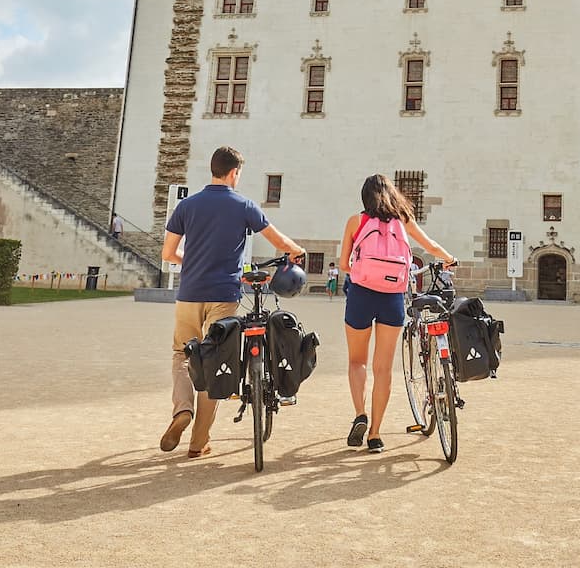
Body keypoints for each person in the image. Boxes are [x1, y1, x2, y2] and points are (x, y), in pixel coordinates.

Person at [160, 146, 305, 459]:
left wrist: (192, 261)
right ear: (234, 173)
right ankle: (198, 443)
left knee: (182, 355)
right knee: (213, 362)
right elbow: (279, 242)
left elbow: (168, 254)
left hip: (189, 293)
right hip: (224, 295)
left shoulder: (188, 206)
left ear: (213, 170)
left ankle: (181, 410)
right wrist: (296, 251)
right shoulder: (244, 205)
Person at [338, 174, 455, 454]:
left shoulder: (357, 221)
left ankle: (360, 414)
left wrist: (363, 272)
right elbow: (431, 246)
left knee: (357, 361)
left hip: (361, 295)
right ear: (393, 194)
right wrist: (449, 258)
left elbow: (344, 264)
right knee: (384, 369)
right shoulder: (403, 219)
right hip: (392, 297)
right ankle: (376, 434)